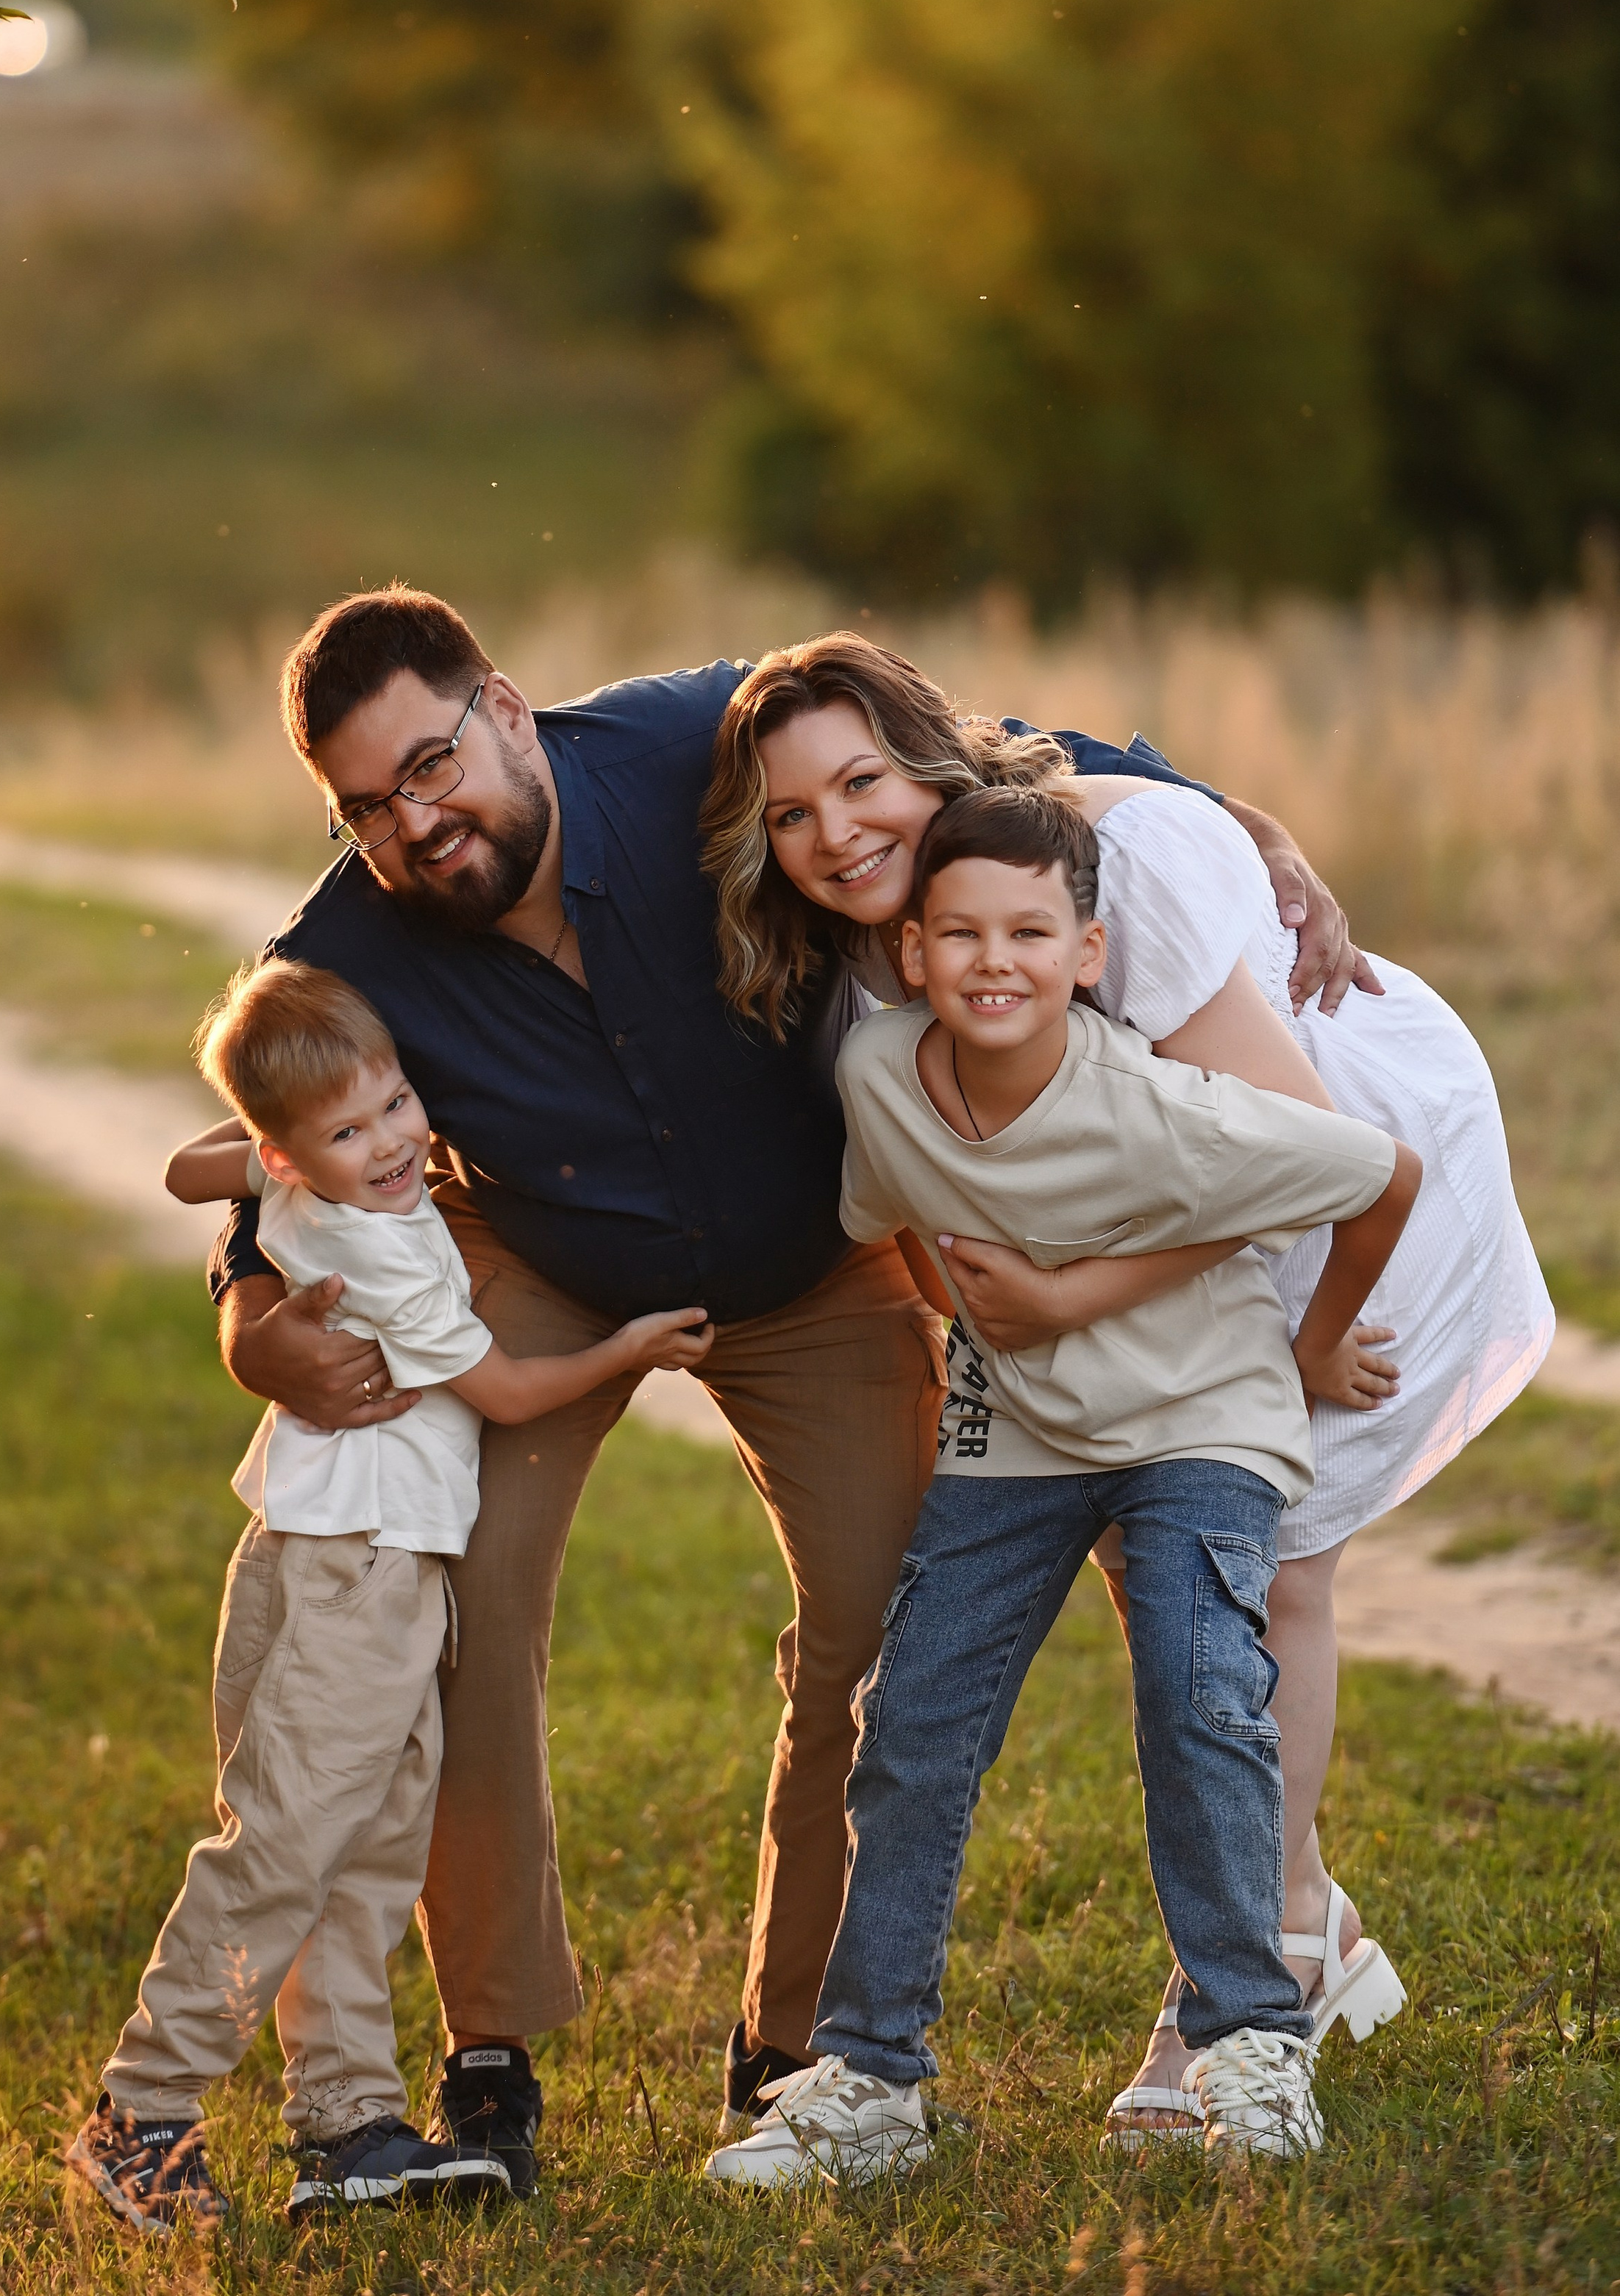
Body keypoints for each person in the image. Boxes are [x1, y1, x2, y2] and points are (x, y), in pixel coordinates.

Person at [209, 582, 1366, 2164]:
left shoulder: (697, 737)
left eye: (428, 768)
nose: (412, 825)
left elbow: (978, 763)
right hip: (547, 1273)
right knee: (461, 1593)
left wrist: (1234, 824)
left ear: (499, 701)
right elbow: (283, 1141)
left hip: (813, 1262)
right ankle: (488, 2053)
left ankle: (805, 2046)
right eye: (363, 807)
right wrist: (249, 1310)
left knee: (884, 1616)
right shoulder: (349, 942)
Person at [699, 633, 1553, 2136]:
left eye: (860, 784)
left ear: (927, 764)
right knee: (1160, 1579)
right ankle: (1299, 1913)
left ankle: (1253, 1985)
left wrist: (1131, 1312)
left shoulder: (1107, 881)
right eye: (790, 815)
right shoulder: (882, 972)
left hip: (1328, 1188)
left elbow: (1296, 1154)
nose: (834, 833)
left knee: (1262, 1584)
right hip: (1155, 1253)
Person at [65, 957, 710, 2236]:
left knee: (367, 1859)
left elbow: (187, 1172)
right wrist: (630, 1347)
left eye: (400, 1102)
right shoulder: (386, 1253)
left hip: (368, 1568)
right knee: (288, 1848)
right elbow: (515, 1395)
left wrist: (283, 1147)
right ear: (299, 1151)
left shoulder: (294, 1183)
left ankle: (348, 2124)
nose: (397, 1140)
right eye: (352, 1131)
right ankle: (141, 2116)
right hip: (350, 1571)